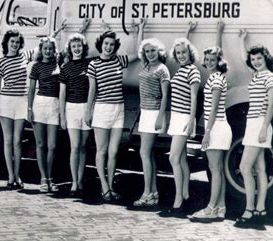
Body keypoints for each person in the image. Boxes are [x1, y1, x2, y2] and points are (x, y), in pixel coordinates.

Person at [84, 19, 146, 202]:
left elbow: (139, 54)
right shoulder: (93, 65)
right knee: (101, 151)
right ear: (101, 45)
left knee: (113, 152)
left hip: (119, 110)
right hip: (101, 110)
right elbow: (92, 91)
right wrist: (88, 111)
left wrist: (140, 29)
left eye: (112, 44)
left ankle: (111, 186)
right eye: (106, 44)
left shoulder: (119, 61)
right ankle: (103, 186)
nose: (109, 47)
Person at [234, 29, 273, 227]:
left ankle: (249, 209)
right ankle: (261, 209)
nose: (256, 61)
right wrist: (243, 41)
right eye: (254, 59)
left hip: (260, 124)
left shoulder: (269, 77)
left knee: (244, 167)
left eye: (259, 58)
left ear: (265, 58)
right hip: (253, 124)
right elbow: (245, 59)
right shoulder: (256, 75)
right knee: (259, 168)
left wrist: (263, 128)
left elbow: (271, 105)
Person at [190, 21, 231, 221]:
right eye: (206, 59)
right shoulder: (218, 76)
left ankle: (210, 208)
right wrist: (218, 33)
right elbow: (218, 52)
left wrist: (207, 132)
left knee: (215, 170)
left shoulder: (215, 79)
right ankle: (221, 207)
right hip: (220, 127)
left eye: (212, 59)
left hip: (216, 127)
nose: (208, 61)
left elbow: (214, 108)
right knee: (219, 169)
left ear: (218, 61)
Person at [161, 24, 200, 215]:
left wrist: (191, 120)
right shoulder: (181, 69)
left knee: (173, 157)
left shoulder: (193, 71)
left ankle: (177, 198)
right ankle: (185, 195)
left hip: (185, 118)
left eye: (184, 52)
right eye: (178, 53)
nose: (181, 55)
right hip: (177, 117)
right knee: (182, 158)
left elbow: (194, 97)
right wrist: (187, 33)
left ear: (189, 53)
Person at [0, 29, 34, 190]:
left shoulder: (24, 56)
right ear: (7, 43)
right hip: (6, 102)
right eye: (12, 42)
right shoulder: (1, 62)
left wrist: (58, 32)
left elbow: (45, 45)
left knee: (17, 141)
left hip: (21, 102)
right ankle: (10, 177)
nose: (15, 45)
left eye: (17, 42)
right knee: (8, 141)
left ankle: (18, 175)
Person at [132, 38, 170, 207]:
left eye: (153, 50)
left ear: (159, 51)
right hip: (145, 112)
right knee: (148, 154)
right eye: (147, 51)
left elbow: (165, 96)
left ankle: (147, 193)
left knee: (144, 153)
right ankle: (152, 193)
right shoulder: (146, 65)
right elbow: (138, 45)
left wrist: (160, 118)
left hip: (154, 113)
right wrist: (140, 30)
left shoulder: (162, 69)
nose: (150, 54)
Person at [59, 19, 92, 197]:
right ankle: (73, 183)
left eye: (79, 46)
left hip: (86, 108)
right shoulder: (65, 67)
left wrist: (82, 31)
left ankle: (80, 181)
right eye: (74, 46)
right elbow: (62, 93)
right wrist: (62, 116)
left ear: (83, 47)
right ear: (70, 49)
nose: (77, 49)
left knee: (84, 146)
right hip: (71, 108)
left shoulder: (90, 64)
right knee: (75, 146)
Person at [27, 36, 61, 193]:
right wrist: (29, 108)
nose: (48, 51)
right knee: (40, 144)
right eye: (45, 48)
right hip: (39, 104)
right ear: (41, 50)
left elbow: (68, 51)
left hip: (54, 105)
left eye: (50, 48)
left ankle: (50, 177)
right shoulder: (36, 67)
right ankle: (44, 179)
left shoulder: (58, 64)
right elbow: (32, 89)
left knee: (52, 145)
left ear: (54, 50)